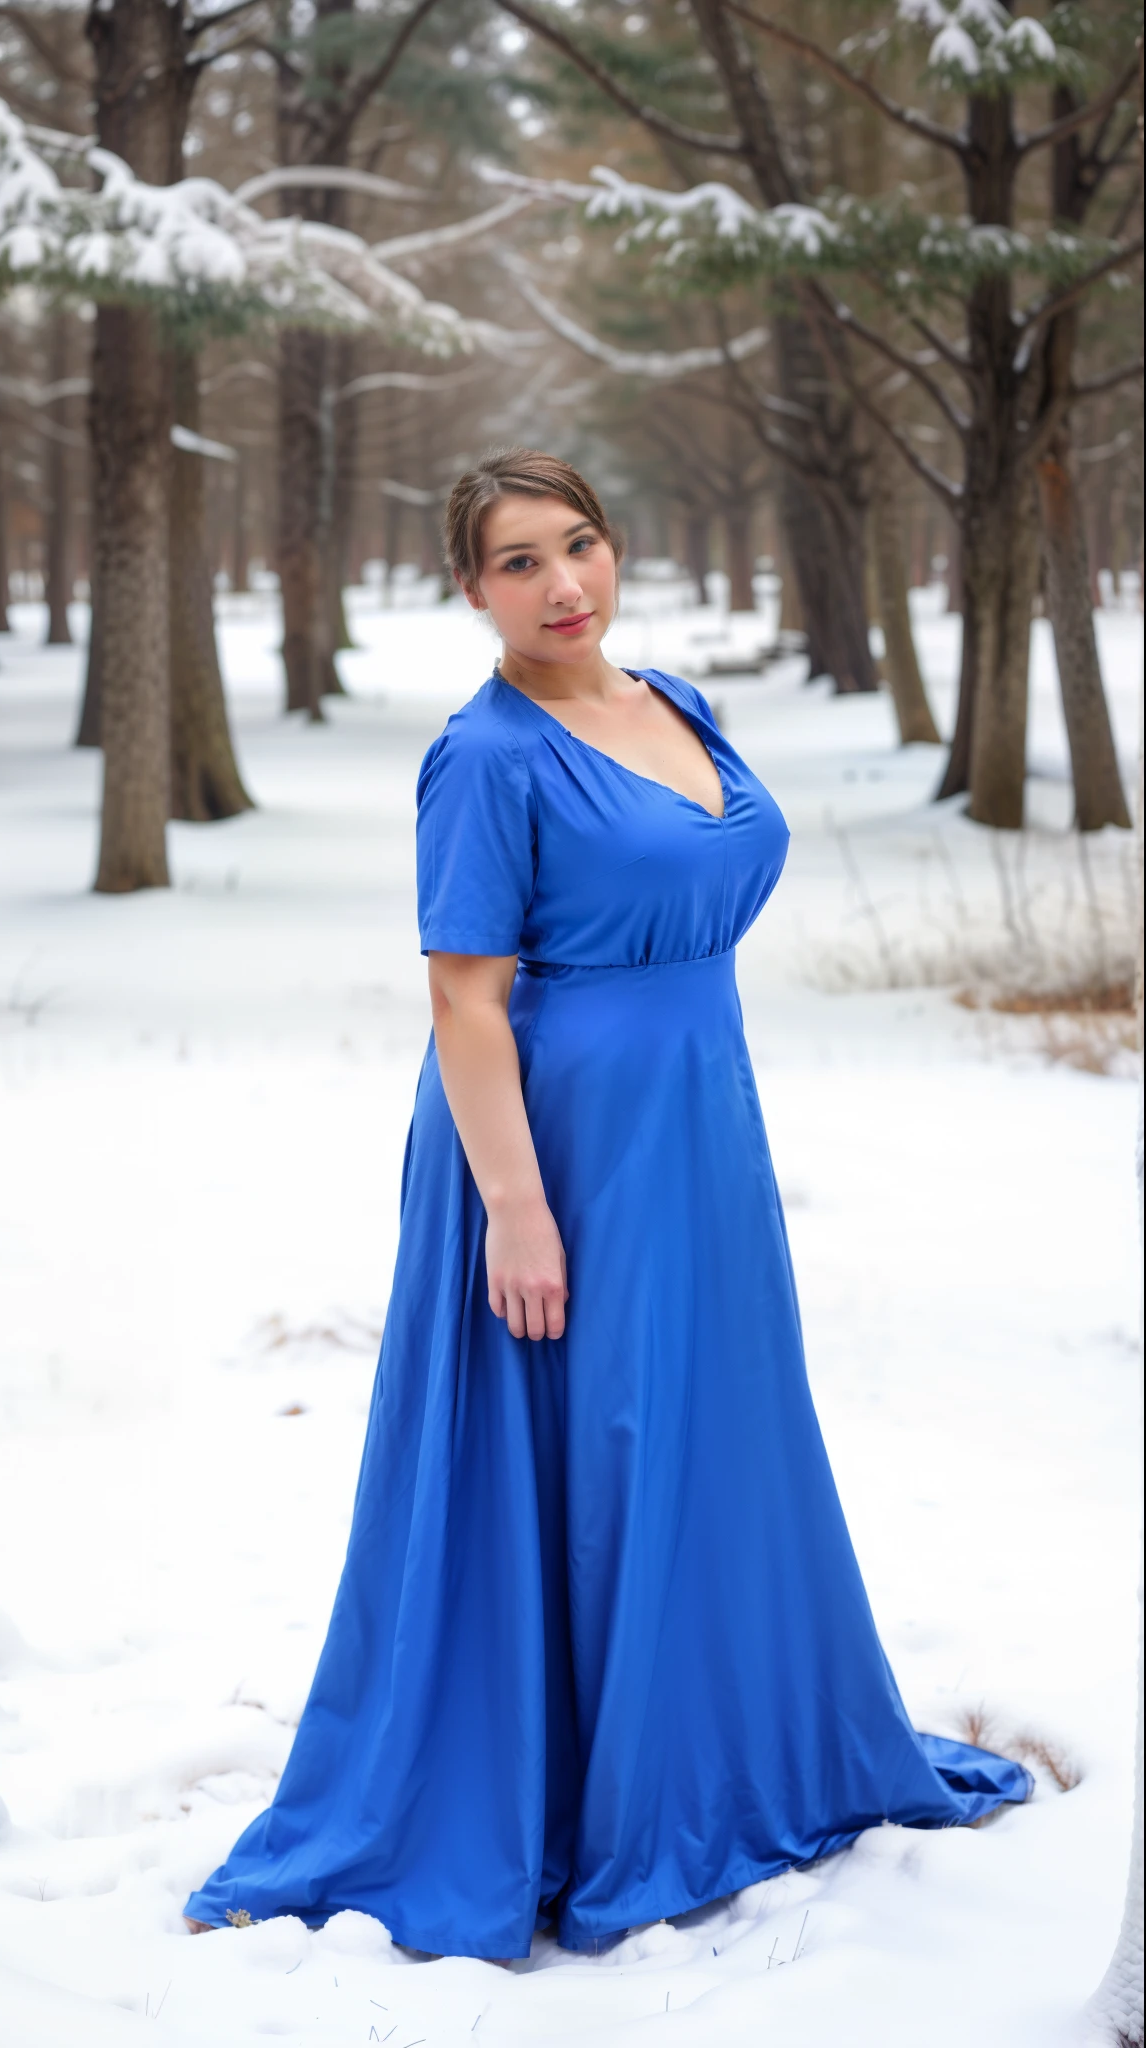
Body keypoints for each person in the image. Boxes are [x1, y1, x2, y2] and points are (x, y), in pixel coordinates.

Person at [183, 447, 1031, 1961]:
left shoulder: (673, 704)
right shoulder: (487, 756)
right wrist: (515, 1208)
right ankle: (591, 1795)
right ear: (471, 591)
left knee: (706, 1428)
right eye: (519, 563)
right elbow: (461, 998)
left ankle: (732, 1752)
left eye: (578, 545)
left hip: (696, 1119)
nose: (563, 584)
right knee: (594, 1447)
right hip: (554, 1140)